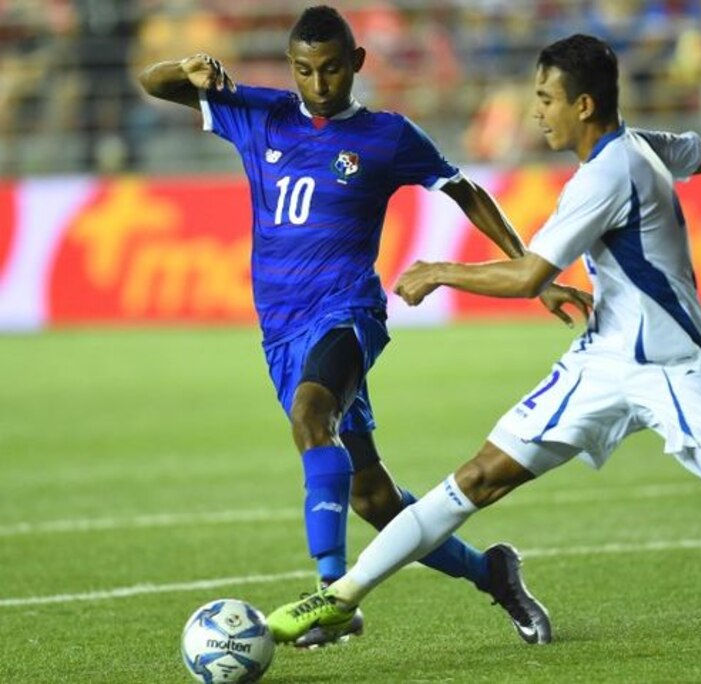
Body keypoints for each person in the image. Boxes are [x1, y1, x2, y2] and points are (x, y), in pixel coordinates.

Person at [281, 33, 701, 669]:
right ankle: (342, 597)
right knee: (479, 477)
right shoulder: (640, 146)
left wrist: (440, 271)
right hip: (602, 364)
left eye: (545, 98)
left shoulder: (606, 177)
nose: (535, 112)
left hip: (670, 369)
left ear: (582, 105)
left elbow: (529, 277)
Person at [138, 6, 591, 647]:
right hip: (282, 332)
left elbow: (464, 190)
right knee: (373, 497)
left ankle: (332, 595)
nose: (318, 83)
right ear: (291, 67)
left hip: (348, 312)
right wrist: (185, 69)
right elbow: (153, 84)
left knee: (310, 417)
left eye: (330, 69)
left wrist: (531, 272)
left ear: (356, 63)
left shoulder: (387, 136)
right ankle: (491, 572)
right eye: (304, 70)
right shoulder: (259, 113)